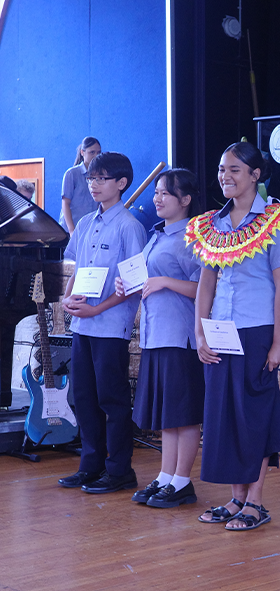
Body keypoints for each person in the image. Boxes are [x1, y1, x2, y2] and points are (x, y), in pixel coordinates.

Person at [188, 142, 280, 530]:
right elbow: (206, 283)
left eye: (235, 169)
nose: (225, 176)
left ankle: (256, 501)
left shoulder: (274, 221)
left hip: (256, 330)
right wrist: (200, 331)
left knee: (254, 413)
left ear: (255, 175)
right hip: (219, 329)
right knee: (224, 415)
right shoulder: (210, 224)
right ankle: (236, 498)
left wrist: (279, 341)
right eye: (222, 169)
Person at [115, 169, 205, 508]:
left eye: (165, 193)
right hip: (155, 335)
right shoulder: (157, 234)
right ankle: (166, 476)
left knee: (184, 413)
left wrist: (165, 282)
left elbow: (205, 287)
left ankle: (183, 481)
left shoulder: (193, 238)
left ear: (185, 199)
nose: (157, 198)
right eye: (156, 192)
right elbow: (145, 278)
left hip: (181, 337)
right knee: (168, 414)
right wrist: (128, 284)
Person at [58, 152, 147, 494]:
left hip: (110, 327)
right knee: (83, 398)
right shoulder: (84, 223)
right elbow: (77, 269)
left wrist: (97, 310)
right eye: (91, 178)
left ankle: (120, 470)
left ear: (121, 183)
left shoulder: (129, 226)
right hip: (82, 326)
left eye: (101, 178)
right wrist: (67, 298)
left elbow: (134, 285)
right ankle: (90, 466)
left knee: (112, 400)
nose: (93, 184)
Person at [59, 136, 102, 234]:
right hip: (70, 230)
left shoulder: (100, 176)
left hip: (88, 229)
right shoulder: (72, 173)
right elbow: (65, 203)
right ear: (82, 152)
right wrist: (71, 230)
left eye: (98, 153)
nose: (96, 156)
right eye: (92, 152)